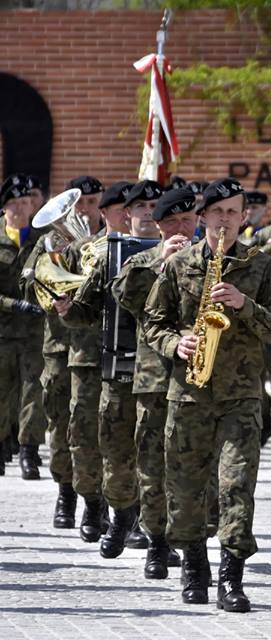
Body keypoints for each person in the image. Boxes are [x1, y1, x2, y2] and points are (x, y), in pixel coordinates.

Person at [143, 177, 271, 611]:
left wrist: (245, 304)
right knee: (186, 486)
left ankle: (232, 577)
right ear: (203, 216)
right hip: (188, 394)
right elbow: (153, 322)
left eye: (232, 212)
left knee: (236, 485)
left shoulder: (259, 265)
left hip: (240, 396)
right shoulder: (179, 264)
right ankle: (194, 569)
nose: (224, 220)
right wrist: (176, 343)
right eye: (217, 212)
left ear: (244, 217)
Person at [57, 179, 163, 559]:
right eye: (141, 208)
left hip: (163, 373)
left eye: (154, 208)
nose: (148, 214)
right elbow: (85, 311)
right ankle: (119, 514)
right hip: (118, 367)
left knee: (158, 455)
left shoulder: (182, 253)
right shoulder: (110, 255)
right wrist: (67, 309)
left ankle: (157, 535)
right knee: (116, 453)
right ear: (127, 214)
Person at [113, 187, 197, 579]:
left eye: (188, 220)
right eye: (173, 222)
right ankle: (157, 542)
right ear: (160, 226)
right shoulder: (142, 260)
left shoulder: (212, 259)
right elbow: (122, 297)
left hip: (199, 378)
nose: (182, 228)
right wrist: (160, 263)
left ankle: (191, 542)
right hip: (154, 378)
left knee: (193, 465)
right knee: (152, 464)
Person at [0, 174, 45, 479]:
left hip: (34, 330)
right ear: (4, 208)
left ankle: (29, 451)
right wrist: (13, 305)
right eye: (13, 203)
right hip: (3, 329)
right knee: (2, 391)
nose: (19, 207)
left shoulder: (44, 238)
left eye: (24, 201)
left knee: (33, 390)